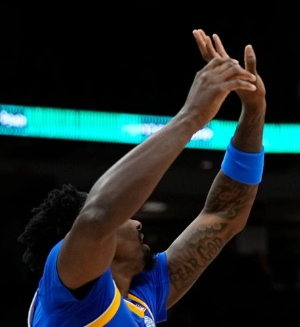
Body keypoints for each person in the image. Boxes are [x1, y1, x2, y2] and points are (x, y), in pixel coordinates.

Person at [17, 29, 266, 326]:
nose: (136, 221)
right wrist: (191, 116)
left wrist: (253, 112)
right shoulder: (65, 294)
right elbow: (99, 215)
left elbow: (225, 213)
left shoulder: (141, 293)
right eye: (125, 216)